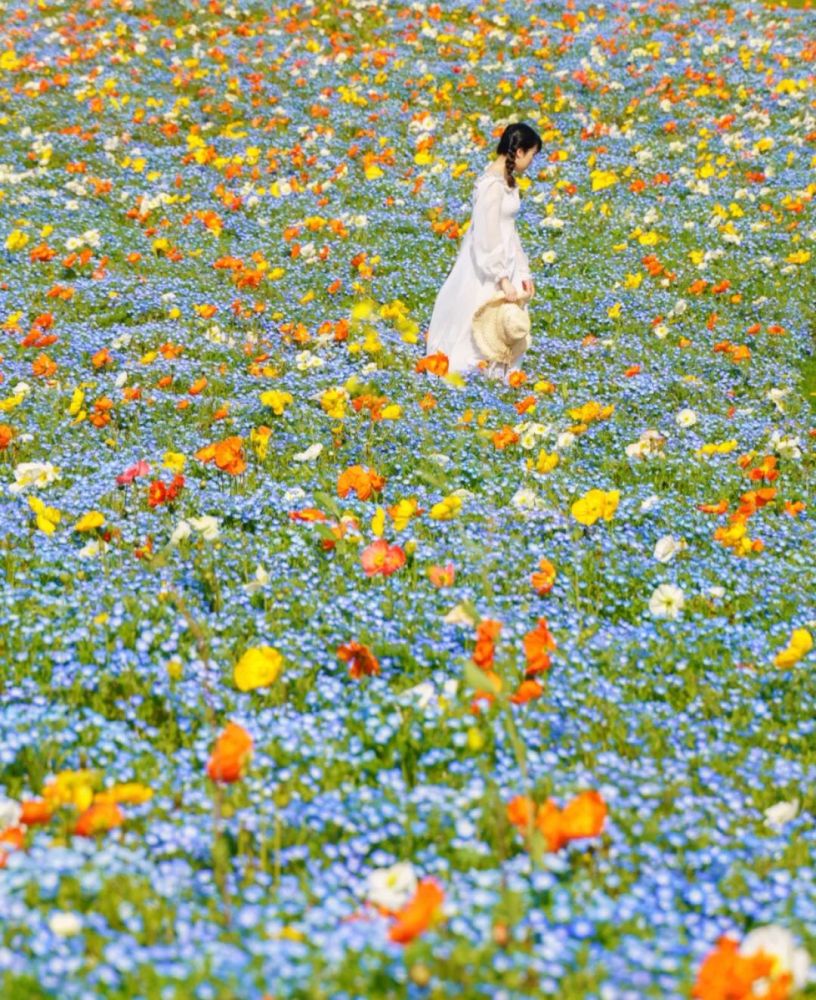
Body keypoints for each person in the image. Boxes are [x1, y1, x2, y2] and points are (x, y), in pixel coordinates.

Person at [424, 121, 542, 377]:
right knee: (480, 318)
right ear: (519, 152)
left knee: (504, 323)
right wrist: (501, 278)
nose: (532, 162)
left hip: (506, 260)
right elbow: (486, 236)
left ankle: (497, 375)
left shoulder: (506, 181)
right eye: (532, 155)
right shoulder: (491, 185)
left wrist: (522, 273)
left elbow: (510, 231)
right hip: (488, 266)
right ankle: (472, 376)